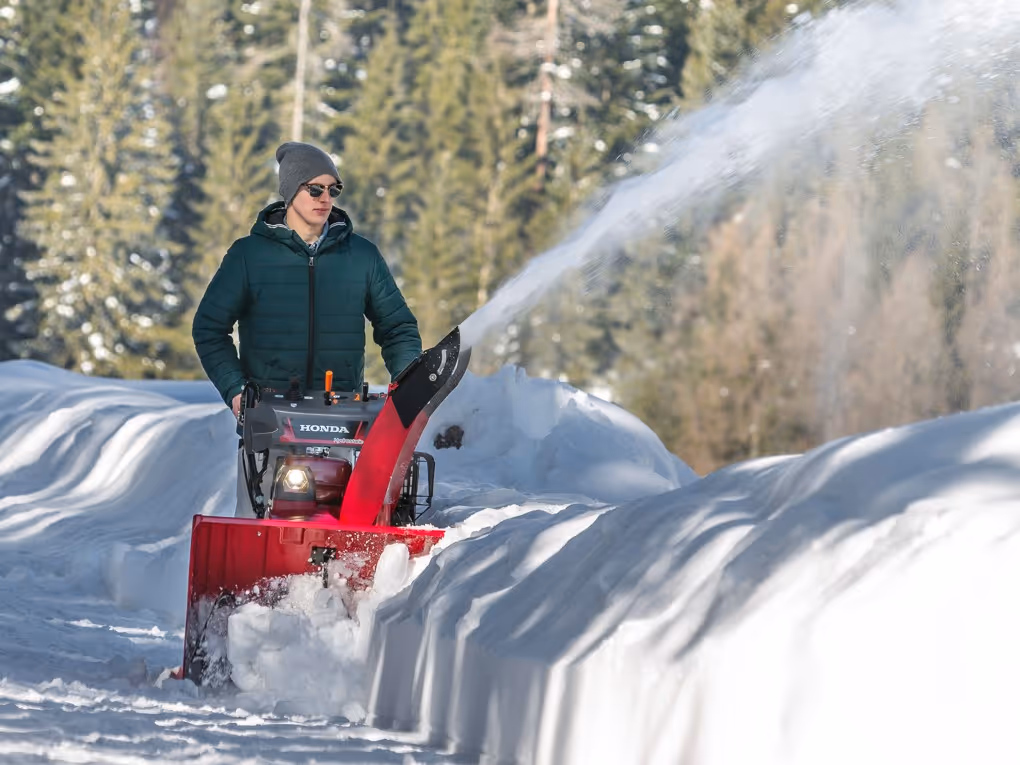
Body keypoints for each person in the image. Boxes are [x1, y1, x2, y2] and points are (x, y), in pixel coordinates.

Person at [192, 141, 422, 517]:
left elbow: (397, 327)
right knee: (257, 535)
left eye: (333, 189)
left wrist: (407, 376)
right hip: (267, 424)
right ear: (290, 191)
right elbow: (209, 328)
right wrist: (236, 392)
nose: (325, 197)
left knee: (340, 533)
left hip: (342, 426)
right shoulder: (249, 256)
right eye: (314, 188)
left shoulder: (362, 257)